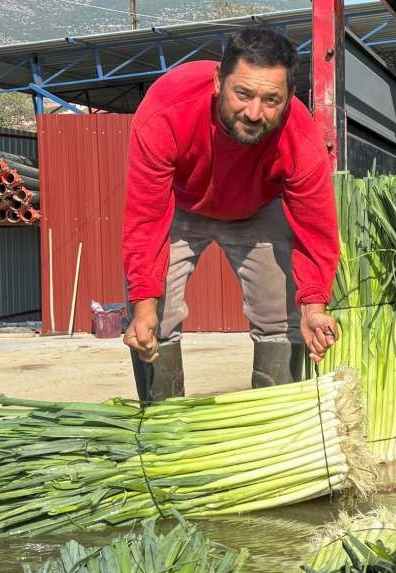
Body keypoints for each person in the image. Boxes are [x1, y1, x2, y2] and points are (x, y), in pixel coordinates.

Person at [121, 28, 340, 402]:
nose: (254, 113)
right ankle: (163, 430)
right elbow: (145, 219)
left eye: (271, 100)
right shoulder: (166, 109)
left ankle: (273, 429)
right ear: (219, 80)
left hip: (257, 208)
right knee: (153, 314)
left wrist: (314, 306)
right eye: (243, 94)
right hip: (182, 204)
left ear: (289, 97)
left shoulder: (299, 138)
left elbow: (315, 230)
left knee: (281, 316)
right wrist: (143, 305)